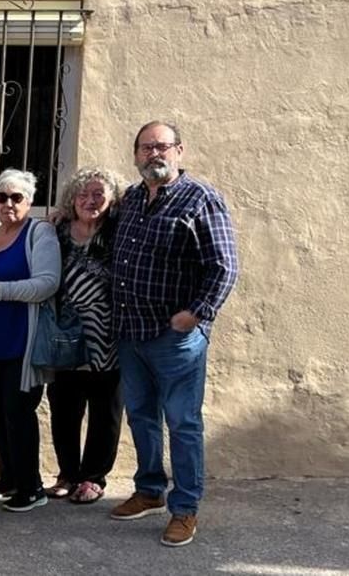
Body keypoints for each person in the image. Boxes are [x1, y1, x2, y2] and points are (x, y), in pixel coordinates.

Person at [109, 121, 239, 547]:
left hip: (175, 337)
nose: (154, 155)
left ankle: (185, 509)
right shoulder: (130, 198)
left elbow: (224, 266)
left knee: (182, 422)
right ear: (136, 155)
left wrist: (197, 314)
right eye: (146, 148)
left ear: (179, 151)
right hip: (131, 332)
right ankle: (149, 490)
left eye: (162, 147)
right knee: (142, 416)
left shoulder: (201, 198)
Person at [0, 170, 61, 512]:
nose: (8, 204)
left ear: (30, 201)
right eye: (1, 197)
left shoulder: (40, 232)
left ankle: (31, 487)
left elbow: (47, 283)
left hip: (22, 343)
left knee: (18, 413)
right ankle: (8, 477)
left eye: (17, 197)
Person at [44, 167, 127, 505]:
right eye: (83, 194)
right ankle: (68, 473)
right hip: (64, 334)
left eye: (98, 195)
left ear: (111, 201)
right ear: (71, 200)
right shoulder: (57, 231)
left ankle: (94, 477)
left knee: (105, 410)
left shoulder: (118, 231)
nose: (90, 201)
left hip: (108, 336)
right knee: (63, 407)